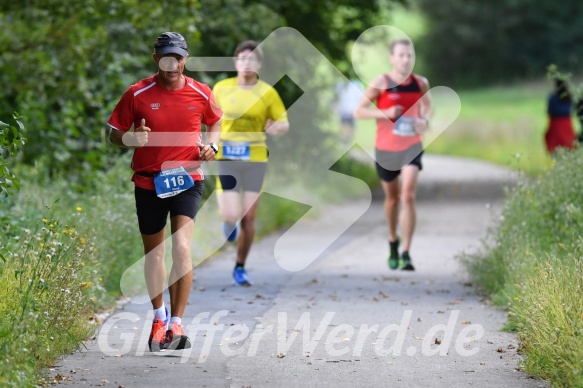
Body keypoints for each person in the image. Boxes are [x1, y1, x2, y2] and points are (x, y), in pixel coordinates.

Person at [107, 32, 222, 351]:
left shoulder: (201, 92)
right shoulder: (137, 93)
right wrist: (131, 140)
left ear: (185, 59)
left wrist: (212, 145)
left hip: (187, 178)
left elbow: (215, 121)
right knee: (155, 253)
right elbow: (113, 133)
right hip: (148, 180)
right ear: (156, 58)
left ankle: (177, 324)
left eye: (178, 57)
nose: (172, 63)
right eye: (166, 57)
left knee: (182, 248)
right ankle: (159, 317)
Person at [212, 40, 289, 286]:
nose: (247, 64)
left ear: (259, 64)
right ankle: (227, 222)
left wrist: (277, 127)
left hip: (255, 160)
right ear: (236, 62)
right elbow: (208, 119)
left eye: (252, 59)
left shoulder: (267, 92)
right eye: (243, 59)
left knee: (248, 217)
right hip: (226, 158)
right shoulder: (222, 88)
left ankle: (240, 267)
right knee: (230, 214)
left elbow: (284, 123)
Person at [353, 38, 432, 271]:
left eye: (409, 55)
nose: (406, 59)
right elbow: (359, 111)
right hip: (386, 148)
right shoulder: (381, 82)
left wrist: (423, 120)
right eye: (401, 55)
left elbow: (426, 105)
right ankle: (393, 240)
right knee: (393, 199)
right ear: (392, 58)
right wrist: (385, 112)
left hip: (411, 145)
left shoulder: (420, 83)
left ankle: (407, 251)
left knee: (408, 195)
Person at [544, 78, 577, 153]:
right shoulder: (570, 96)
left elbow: (549, 111)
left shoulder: (553, 97)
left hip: (555, 122)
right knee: (568, 143)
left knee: (554, 145)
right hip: (567, 122)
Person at [335, 79, 364, 146]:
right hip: (344, 111)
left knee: (351, 128)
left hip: (352, 111)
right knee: (344, 127)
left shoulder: (357, 84)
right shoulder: (340, 84)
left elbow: (361, 97)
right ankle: (344, 142)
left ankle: (349, 142)